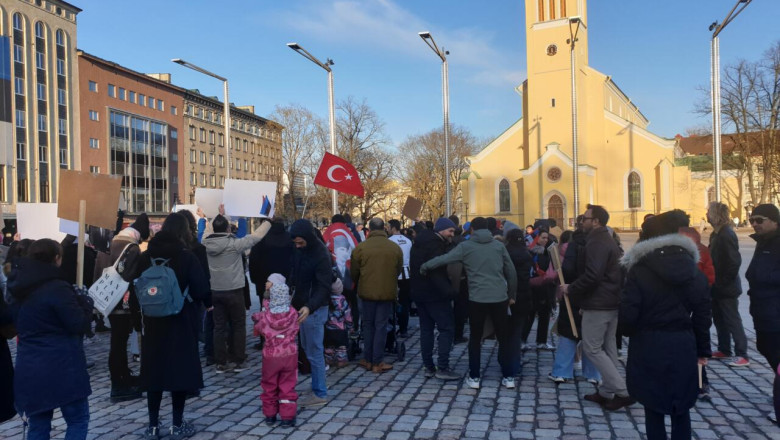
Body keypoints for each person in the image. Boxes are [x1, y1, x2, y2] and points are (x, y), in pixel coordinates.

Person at [620, 210, 711, 440]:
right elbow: (702, 314)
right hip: (683, 343)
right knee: (681, 407)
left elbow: (628, 314)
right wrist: (702, 350)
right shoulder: (693, 271)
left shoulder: (639, 271)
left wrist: (628, 331)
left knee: (653, 406)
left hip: (649, 343)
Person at [130, 214, 212, 439]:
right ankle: (177, 424)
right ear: (184, 231)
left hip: (153, 323)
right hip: (180, 319)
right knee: (179, 372)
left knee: (153, 372)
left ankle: (153, 425)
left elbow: (135, 289)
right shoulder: (186, 257)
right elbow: (201, 289)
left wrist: (139, 321)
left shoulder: (146, 256)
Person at [8, 239, 93, 440]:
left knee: (38, 425)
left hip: (30, 366)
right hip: (63, 365)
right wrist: (85, 301)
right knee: (78, 420)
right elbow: (78, 324)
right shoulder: (57, 287)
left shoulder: (16, 287)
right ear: (56, 259)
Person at [420, 216, 517, 390]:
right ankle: (509, 376)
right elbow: (511, 273)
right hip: (499, 298)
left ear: (471, 229)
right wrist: (511, 294)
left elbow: (445, 259)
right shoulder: (499, 246)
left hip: (477, 299)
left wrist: (425, 266)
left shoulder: (466, 246)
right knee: (503, 338)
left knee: (475, 338)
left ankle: (474, 377)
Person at [559, 204, 632, 411]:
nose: (582, 221)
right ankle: (607, 392)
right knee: (608, 349)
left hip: (599, 304)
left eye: (585, 218)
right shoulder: (606, 240)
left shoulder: (596, 242)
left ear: (596, 221)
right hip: (609, 302)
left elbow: (593, 275)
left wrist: (571, 288)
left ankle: (622, 391)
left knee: (591, 347)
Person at [202, 207, 272, 373]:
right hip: (234, 290)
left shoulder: (206, 243)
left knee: (218, 327)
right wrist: (268, 221)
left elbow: (207, 230)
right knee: (239, 325)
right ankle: (238, 359)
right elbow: (255, 237)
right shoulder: (234, 244)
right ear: (227, 229)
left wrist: (218, 215)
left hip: (216, 291)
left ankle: (220, 362)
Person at [92, 213, 150, 402]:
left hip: (107, 301)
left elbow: (97, 273)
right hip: (123, 303)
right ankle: (119, 383)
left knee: (116, 342)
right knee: (119, 343)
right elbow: (132, 278)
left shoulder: (106, 245)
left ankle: (122, 375)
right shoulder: (131, 249)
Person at [550, 217, 601, 386]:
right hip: (593, 294)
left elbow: (567, 269)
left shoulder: (573, 245)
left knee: (568, 334)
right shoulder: (599, 244)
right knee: (590, 335)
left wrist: (569, 284)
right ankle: (592, 373)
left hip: (573, 293)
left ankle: (562, 371)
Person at [409, 217, 460, 381]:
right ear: (441, 230)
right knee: (446, 328)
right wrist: (450, 292)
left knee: (426, 330)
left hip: (419, 293)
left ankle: (428, 366)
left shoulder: (419, 242)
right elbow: (436, 272)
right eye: (450, 231)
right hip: (435, 294)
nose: (452, 234)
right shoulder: (435, 244)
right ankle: (443, 367)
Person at [351, 218, 403, 373]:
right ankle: (377, 361)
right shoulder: (394, 248)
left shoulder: (361, 248)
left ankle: (368, 359)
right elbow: (398, 270)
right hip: (387, 292)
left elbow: (354, 272)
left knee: (367, 325)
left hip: (366, 292)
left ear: (369, 229)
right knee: (381, 325)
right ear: (384, 228)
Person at [289, 219, 331, 407]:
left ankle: (320, 393)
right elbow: (296, 275)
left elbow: (324, 286)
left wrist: (309, 306)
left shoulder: (320, 253)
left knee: (314, 352)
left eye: (300, 242)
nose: (297, 246)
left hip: (314, 308)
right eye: (295, 243)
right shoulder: (300, 251)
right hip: (302, 306)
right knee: (307, 348)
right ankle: (316, 385)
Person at [745, 204, 780, 424]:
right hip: (763, 309)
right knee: (766, 348)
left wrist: (763, 278)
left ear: (774, 221)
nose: (755, 224)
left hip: (775, 310)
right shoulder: (764, 242)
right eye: (752, 220)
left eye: (760, 219)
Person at [707, 202, 749, 367]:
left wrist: (723, 282)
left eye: (709, 212)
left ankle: (742, 353)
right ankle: (724, 349)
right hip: (717, 285)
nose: (706, 215)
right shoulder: (716, 234)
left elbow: (733, 262)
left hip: (726, 286)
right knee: (719, 319)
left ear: (716, 215)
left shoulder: (726, 234)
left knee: (732, 319)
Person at [254, 274, 300, 428]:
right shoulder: (293, 313)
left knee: (269, 384)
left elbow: (260, 328)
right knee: (287, 384)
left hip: (271, 356)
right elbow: (296, 328)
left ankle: (270, 415)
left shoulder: (266, 315)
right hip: (289, 355)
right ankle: (287, 417)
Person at [504, 228, 533, 379]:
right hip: (523, 295)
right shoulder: (527, 254)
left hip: (506, 296)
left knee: (505, 332)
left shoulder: (505, 252)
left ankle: (505, 362)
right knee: (516, 332)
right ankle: (515, 364)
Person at [522, 231, 557, 350]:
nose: (545, 240)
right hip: (532, 288)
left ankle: (541, 341)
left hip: (544, 288)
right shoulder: (529, 252)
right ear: (536, 238)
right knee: (529, 315)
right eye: (543, 238)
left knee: (544, 315)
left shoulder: (548, 252)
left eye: (547, 238)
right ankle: (522, 340)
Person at [387, 219, 412, 338]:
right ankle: (404, 329)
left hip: (394, 274)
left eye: (388, 227)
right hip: (407, 274)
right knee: (404, 302)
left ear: (393, 228)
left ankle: (391, 327)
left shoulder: (389, 241)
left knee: (392, 302)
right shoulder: (408, 240)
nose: (387, 229)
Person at [324, 277, 353, 367]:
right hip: (340, 328)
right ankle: (341, 360)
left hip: (329, 328)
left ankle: (329, 359)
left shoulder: (327, 299)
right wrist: (350, 326)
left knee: (329, 346)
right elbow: (347, 315)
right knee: (341, 347)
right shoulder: (342, 300)